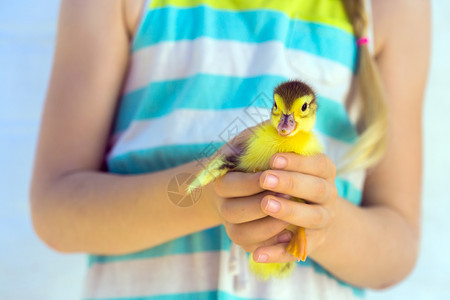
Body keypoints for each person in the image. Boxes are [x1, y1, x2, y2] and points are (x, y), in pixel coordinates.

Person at [30, 0, 430, 299]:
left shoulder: (393, 9)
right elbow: (55, 210)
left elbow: (398, 245)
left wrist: (321, 221)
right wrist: (214, 192)